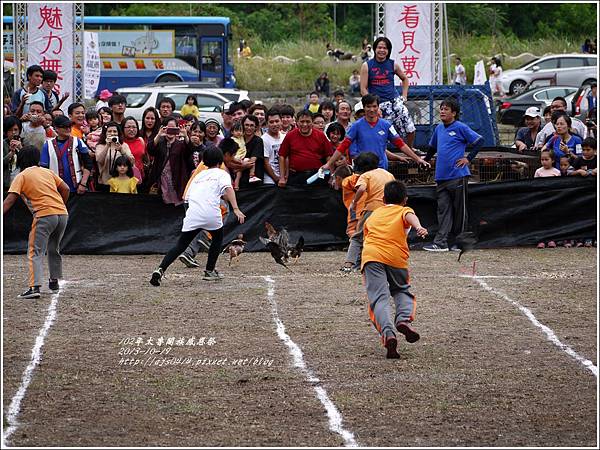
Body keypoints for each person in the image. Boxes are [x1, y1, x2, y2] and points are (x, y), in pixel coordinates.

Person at [150, 145, 246, 285]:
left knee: (180, 244)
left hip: (193, 213)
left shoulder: (198, 175)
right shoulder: (222, 173)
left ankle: (160, 269)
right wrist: (236, 208)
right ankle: (209, 270)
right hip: (211, 214)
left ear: (204, 161)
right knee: (217, 238)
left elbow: (188, 198)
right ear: (220, 161)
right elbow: (228, 189)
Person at [361, 179, 428, 359]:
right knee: (402, 291)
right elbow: (409, 216)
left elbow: (365, 237)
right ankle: (403, 320)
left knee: (379, 298)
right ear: (405, 200)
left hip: (371, 256)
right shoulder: (404, 210)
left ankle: (389, 333)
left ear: (383, 199)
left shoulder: (373, 215)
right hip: (395, 257)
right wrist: (419, 227)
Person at [3, 145, 70, 298]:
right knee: (54, 248)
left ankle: (34, 288)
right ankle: (54, 281)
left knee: (35, 251)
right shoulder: (47, 172)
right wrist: (60, 205)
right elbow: (65, 188)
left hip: (45, 215)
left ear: (21, 160)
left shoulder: (22, 176)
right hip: (62, 213)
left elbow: (9, 200)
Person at [423, 98, 483, 252]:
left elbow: (479, 141)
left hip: (457, 175)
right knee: (443, 210)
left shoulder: (460, 127)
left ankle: (460, 243)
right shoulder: (438, 129)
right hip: (441, 177)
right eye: (441, 108)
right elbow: (432, 147)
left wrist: (467, 159)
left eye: (446, 109)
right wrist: (425, 161)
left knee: (460, 211)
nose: (442, 111)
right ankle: (441, 242)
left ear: (454, 113)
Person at [322, 94, 429, 172]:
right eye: (368, 106)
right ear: (364, 108)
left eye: (374, 106)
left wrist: (418, 159)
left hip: (381, 169)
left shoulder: (386, 125)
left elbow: (401, 144)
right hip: (362, 171)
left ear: (378, 107)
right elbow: (343, 146)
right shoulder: (356, 126)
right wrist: (329, 164)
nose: (371, 109)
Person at [360, 36, 416, 149]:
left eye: (385, 48)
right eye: (379, 47)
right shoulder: (367, 66)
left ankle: (410, 149)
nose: (382, 50)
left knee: (410, 128)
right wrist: (373, 106)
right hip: (379, 104)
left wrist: (404, 96)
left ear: (388, 50)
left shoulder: (393, 64)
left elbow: (405, 79)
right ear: (375, 49)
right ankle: (384, 154)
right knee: (383, 132)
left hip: (395, 101)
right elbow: (363, 89)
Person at [344, 152, 395, 274]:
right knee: (383, 237)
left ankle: (349, 264)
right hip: (388, 210)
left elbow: (361, 188)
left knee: (358, 237)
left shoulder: (366, 175)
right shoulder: (387, 174)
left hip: (372, 209)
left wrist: (354, 202)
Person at [278, 110, 333, 187]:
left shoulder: (320, 135)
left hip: (316, 176)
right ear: (297, 122)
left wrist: (331, 176)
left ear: (312, 122)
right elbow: (282, 156)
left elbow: (329, 156)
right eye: (302, 121)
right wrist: (282, 177)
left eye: (308, 121)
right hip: (295, 177)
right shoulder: (290, 135)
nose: (305, 124)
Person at [40, 115, 93, 194]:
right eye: (64, 127)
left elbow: (88, 163)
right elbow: (44, 169)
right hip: (56, 189)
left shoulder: (77, 141)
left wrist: (83, 184)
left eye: (69, 126)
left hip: (77, 187)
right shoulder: (47, 145)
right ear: (56, 128)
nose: (68, 129)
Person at [146, 116, 191, 205]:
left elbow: (189, 152)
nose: (170, 132)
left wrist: (185, 136)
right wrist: (159, 135)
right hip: (160, 179)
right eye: (168, 128)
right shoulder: (159, 141)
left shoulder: (180, 144)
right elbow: (150, 150)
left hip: (176, 179)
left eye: (173, 129)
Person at [94, 121, 135, 192]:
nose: (112, 133)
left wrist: (121, 150)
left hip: (122, 184)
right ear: (105, 133)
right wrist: (107, 146)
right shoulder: (100, 146)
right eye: (109, 131)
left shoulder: (124, 145)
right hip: (105, 183)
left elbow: (131, 162)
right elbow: (99, 160)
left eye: (115, 131)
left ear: (118, 133)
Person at [262, 108, 285, 186]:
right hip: (269, 179)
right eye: (271, 122)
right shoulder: (263, 139)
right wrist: (276, 178)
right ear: (267, 123)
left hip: (283, 177)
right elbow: (266, 163)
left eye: (277, 121)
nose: (275, 124)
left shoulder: (284, 137)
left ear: (281, 121)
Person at [4, 116, 22, 190]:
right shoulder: (3, 144)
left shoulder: (24, 143)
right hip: (6, 184)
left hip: (21, 182)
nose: (13, 132)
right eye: (10, 130)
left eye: (15, 129)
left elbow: (29, 162)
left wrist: (21, 148)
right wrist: (11, 153)